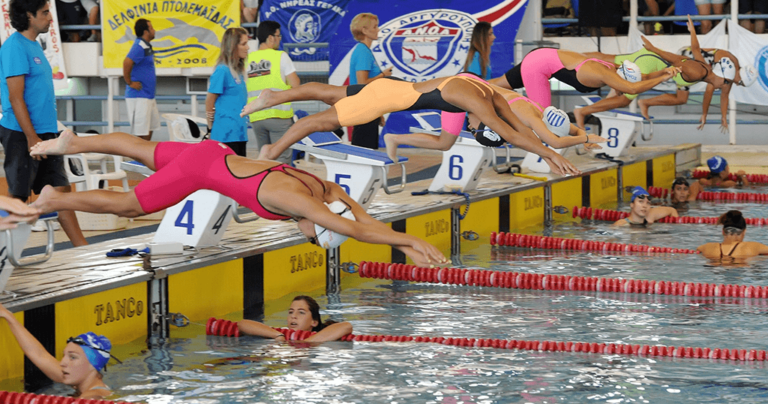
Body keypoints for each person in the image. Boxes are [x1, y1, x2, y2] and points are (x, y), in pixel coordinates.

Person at [30, 131, 449, 267]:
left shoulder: (326, 190)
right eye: (311, 236)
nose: (304, 234)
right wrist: (410, 240)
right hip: (199, 170)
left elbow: (361, 220)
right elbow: (356, 230)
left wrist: (405, 244)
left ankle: (74, 142)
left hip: (213, 152)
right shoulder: (301, 204)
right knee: (130, 205)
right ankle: (54, 200)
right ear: (319, 224)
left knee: (143, 149)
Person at [240, 77, 581, 176]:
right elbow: (509, 134)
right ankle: (271, 150)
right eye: (476, 129)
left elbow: (518, 131)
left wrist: (549, 152)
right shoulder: (478, 104)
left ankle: (275, 96)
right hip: (383, 100)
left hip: (391, 87)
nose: (471, 125)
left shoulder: (491, 94)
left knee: (331, 93)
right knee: (319, 121)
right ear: (483, 126)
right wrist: (550, 154)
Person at [0, 0, 87, 247]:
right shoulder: (14, 47)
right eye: (45, 12)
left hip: (46, 132)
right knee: (18, 196)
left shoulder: (34, 45)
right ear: (29, 16)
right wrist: (31, 137)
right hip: (23, 133)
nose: (50, 17)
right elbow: (15, 97)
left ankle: (82, 248)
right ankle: (5, 254)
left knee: (59, 193)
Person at [383, 75, 606, 161]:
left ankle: (394, 138)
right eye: (473, 128)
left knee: (445, 143)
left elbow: (552, 138)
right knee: (417, 101)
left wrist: (582, 136)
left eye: (470, 128)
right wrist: (586, 139)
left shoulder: (541, 111)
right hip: (463, 91)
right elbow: (554, 142)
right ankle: (393, 128)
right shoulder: (529, 117)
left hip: (475, 94)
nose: (469, 126)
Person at [636, 16, 747, 127]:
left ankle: (645, 100)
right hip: (683, 59)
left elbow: (696, 50)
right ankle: (643, 93)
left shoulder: (719, 73)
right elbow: (677, 60)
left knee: (681, 98)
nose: (733, 85)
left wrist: (692, 31)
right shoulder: (705, 71)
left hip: (688, 62)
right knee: (663, 76)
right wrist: (653, 49)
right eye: (740, 82)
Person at [489, 47, 680, 108]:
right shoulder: (604, 73)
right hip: (537, 65)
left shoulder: (618, 69)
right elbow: (632, 88)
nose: (620, 91)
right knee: (540, 117)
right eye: (620, 87)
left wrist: (667, 72)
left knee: (496, 85)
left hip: (543, 56)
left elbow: (643, 77)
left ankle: (470, 83)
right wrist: (662, 80)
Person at [0, 302, 117, 399]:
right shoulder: (78, 378)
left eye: (73, 357)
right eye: (64, 356)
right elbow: (39, 354)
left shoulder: (93, 397)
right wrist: (9, 317)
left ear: (93, 365)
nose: (62, 363)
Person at [574, 47, 683, 128]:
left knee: (608, 59)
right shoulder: (685, 74)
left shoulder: (684, 67)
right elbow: (645, 78)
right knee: (624, 99)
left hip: (650, 55)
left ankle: (575, 57)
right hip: (650, 61)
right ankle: (583, 111)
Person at [246, 21, 301, 162]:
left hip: (256, 117)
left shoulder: (248, 59)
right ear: (271, 38)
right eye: (279, 36)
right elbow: (296, 85)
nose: (280, 39)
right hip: (279, 116)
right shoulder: (281, 56)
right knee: (281, 160)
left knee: (264, 160)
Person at [348, 13, 393, 149]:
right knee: (364, 150)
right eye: (375, 27)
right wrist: (383, 75)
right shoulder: (363, 52)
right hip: (364, 108)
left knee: (367, 148)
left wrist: (378, 112)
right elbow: (362, 83)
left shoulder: (364, 51)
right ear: (365, 30)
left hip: (368, 108)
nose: (378, 29)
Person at [207, 27, 250, 156]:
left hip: (239, 133)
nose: (247, 47)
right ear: (233, 46)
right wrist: (210, 128)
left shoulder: (238, 72)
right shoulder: (222, 70)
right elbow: (210, 101)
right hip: (225, 135)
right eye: (243, 44)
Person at [238, 295, 352, 342]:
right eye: (291, 312)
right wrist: (277, 335)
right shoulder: (281, 334)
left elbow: (346, 326)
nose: (293, 316)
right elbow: (242, 324)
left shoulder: (324, 337)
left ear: (314, 322)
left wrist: (306, 343)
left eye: (301, 312)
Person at [123, 18, 159, 141]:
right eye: (151, 28)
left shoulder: (146, 46)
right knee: (140, 134)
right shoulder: (139, 46)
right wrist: (129, 82)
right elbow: (127, 62)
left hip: (148, 95)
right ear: (146, 32)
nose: (154, 30)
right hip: (139, 96)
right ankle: (139, 154)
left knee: (149, 129)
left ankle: (145, 153)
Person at [697, 210, 768, 261]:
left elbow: (697, 251)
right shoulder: (752, 247)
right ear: (744, 232)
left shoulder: (706, 247)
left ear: (723, 231)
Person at [613, 186, 678, 227]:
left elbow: (672, 210)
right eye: (641, 201)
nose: (645, 206)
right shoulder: (621, 225)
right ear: (632, 205)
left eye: (648, 203)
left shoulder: (650, 215)